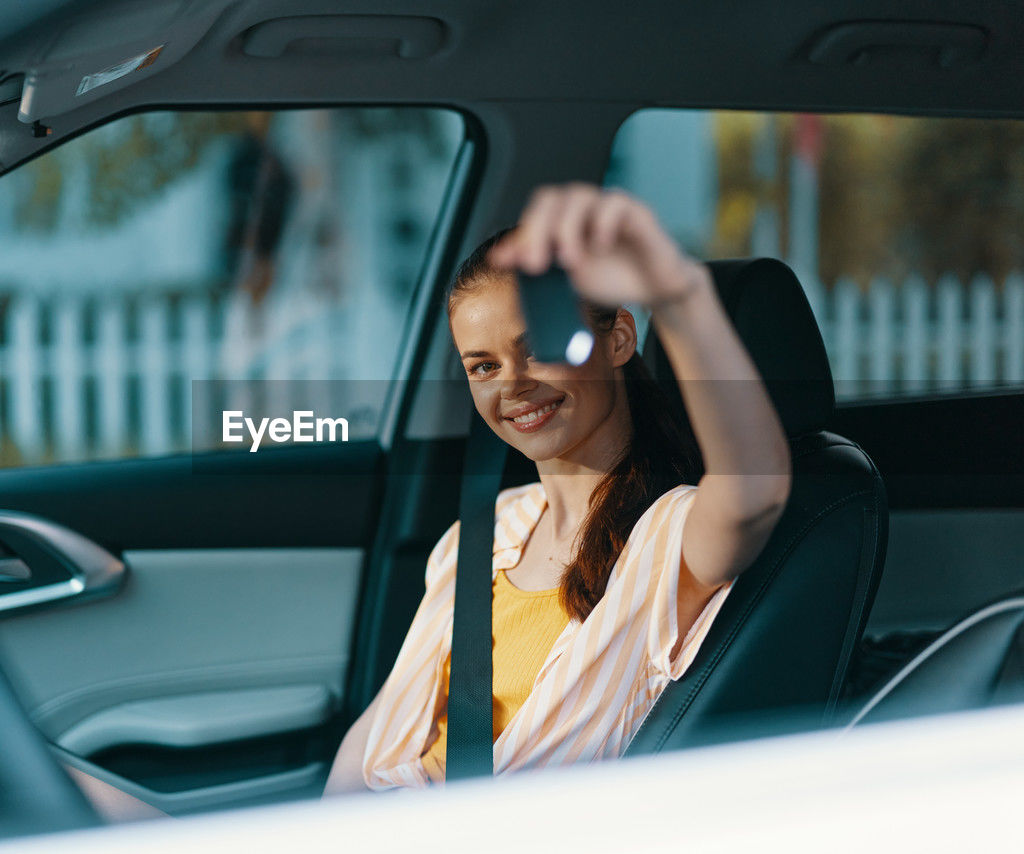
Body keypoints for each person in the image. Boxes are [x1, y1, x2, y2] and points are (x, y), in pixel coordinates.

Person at [324, 183, 791, 792]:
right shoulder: (480, 535)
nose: (512, 386)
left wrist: (679, 295)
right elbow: (374, 735)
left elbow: (754, 493)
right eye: (483, 366)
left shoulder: (667, 538)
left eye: (538, 348)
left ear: (619, 338)